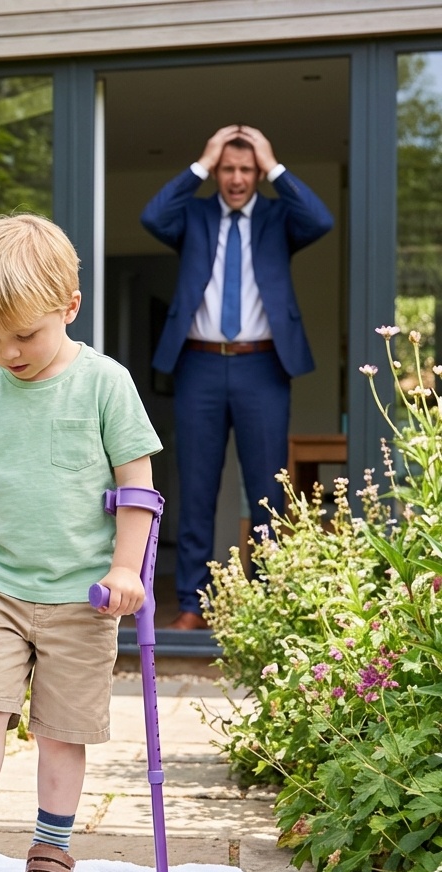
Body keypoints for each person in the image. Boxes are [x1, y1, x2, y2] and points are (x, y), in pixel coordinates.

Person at [0, 214, 162, 872]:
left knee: (60, 730)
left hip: (82, 595)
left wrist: (124, 568)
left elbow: (137, 490)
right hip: (0, 584)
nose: (8, 351)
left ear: (69, 308)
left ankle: (51, 852)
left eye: (25, 334)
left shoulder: (105, 384)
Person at [141, 125, 333, 630]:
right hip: (199, 363)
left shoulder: (277, 216)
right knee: (197, 486)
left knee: (267, 486)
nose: (236, 178)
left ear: (258, 172)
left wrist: (275, 168)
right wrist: (200, 162)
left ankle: (267, 605)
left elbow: (321, 219)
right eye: (228, 168)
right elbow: (152, 216)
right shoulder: (196, 214)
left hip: (263, 366)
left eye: (246, 169)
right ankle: (192, 604)